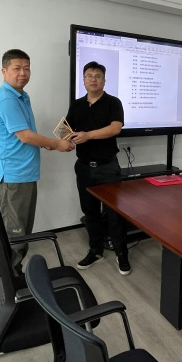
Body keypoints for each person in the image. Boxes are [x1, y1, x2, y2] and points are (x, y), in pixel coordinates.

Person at [0, 49, 74, 274]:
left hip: (23, 175)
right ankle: (9, 283)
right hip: (12, 178)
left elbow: (24, 136)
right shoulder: (7, 99)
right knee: (15, 237)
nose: (23, 73)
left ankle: (13, 278)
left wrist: (45, 143)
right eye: (17, 68)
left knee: (22, 234)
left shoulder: (21, 96)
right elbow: (25, 136)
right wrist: (56, 144)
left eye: (26, 68)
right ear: (4, 71)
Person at [65, 61, 131, 275]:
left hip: (107, 168)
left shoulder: (113, 102)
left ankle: (122, 253)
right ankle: (96, 251)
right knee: (90, 212)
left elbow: (115, 128)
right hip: (84, 167)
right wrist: (64, 140)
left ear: (104, 80)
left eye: (97, 76)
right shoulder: (77, 105)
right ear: (83, 80)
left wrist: (88, 135)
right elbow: (67, 129)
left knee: (114, 214)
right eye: (89, 76)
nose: (93, 79)